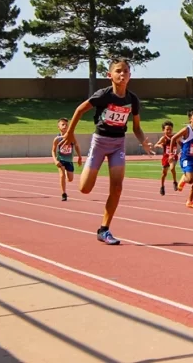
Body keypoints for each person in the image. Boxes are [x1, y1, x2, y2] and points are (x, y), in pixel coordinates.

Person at [59, 57, 154, 245]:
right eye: (118, 71)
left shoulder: (132, 100)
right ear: (109, 75)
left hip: (118, 144)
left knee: (117, 188)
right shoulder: (104, 95)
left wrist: (143, 141)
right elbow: (79, 110)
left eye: (125, 71)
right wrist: (70, 133)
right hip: (100, 142)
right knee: (85, 189)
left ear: (130, 76)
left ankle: (104, 229)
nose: (122, 74)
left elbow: (136, 127)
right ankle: (89, 166)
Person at [170, 106, 193, 209]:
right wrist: (172, 154)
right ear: (190, 118)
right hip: (186, 158)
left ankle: (190, 201)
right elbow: (173, 138)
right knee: (190, 180)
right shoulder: (187, 130)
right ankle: (183, 179)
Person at [52, 117, 82, 202]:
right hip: (60, 159)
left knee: (70, 179)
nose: (65, 126)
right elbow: (53, 150)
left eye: (66, 125)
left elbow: (76, 145)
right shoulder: (57, 139)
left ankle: (66, 171)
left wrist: (79, 157)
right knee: (62, 175)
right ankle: (64, 193)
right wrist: (55, 160)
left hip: (69, 160)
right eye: (63, 124)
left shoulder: (71, 136)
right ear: (58, 127)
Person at [153, 120, 178, 195]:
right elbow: (155, 145)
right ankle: (162, 186)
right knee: (164, 174)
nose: (169, 131)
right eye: (167, 129)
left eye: (170, 129)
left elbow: (181, 143)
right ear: (163, 130)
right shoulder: (163, 138)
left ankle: (175, 182)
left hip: (173, 156)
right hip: (165, 157)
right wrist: (159, 145)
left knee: (172, 168)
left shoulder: (175, 137)